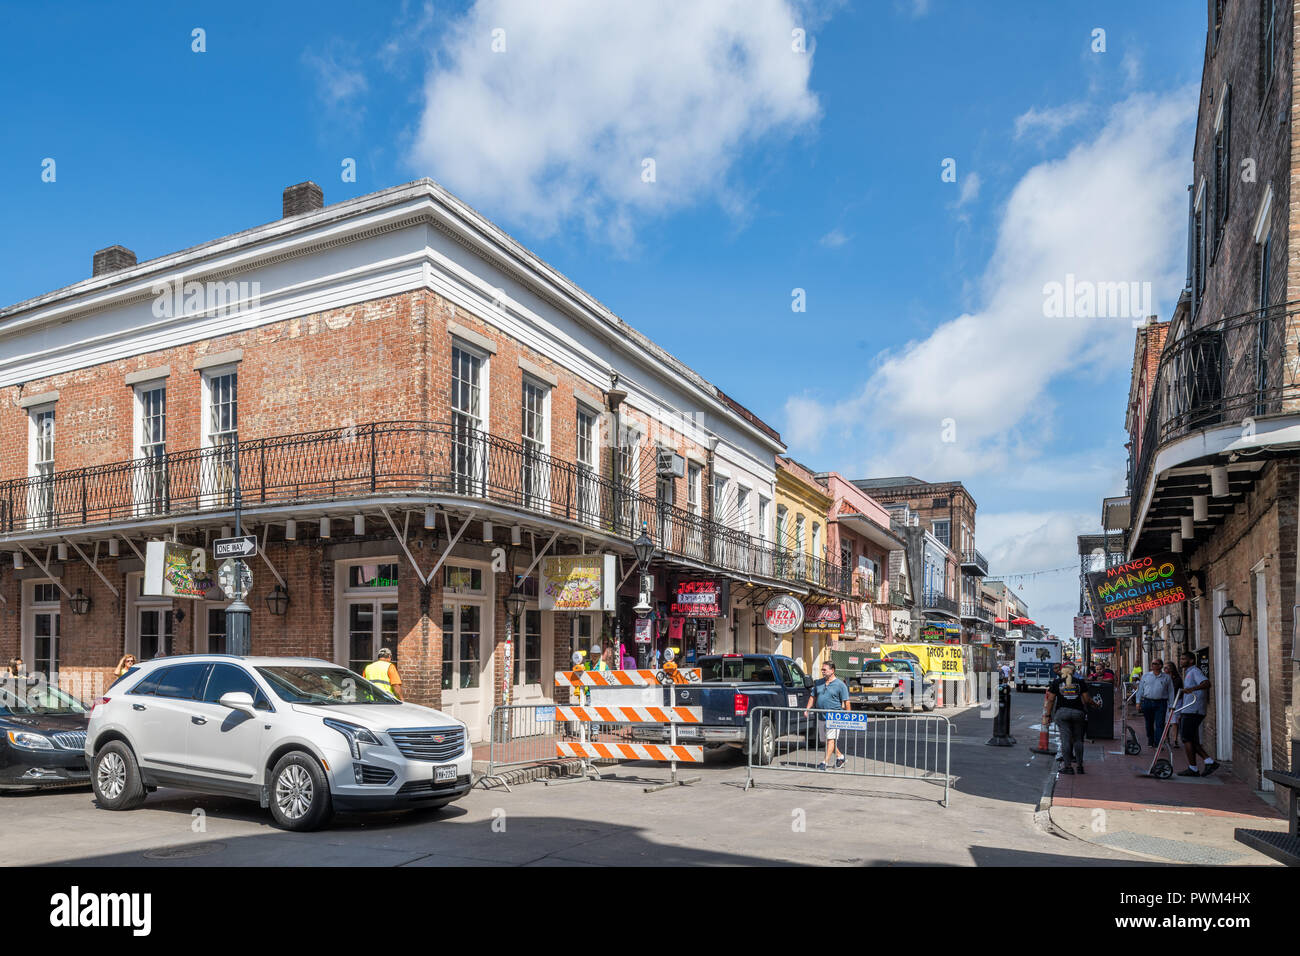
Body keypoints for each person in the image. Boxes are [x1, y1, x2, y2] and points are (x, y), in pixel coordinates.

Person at [1044, 662, 1097, 774]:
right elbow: (1087, 700)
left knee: (1065, 740)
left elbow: (1051, 700)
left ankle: (1068, 767)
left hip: (1062, 714)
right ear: (1073, 671)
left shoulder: (1057, 682)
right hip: (1078, 713)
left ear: (1063, 671)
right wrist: (1095, 704)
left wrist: (1048, 715)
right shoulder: (1080, 682)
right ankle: (1080, 766)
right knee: (1078, 739)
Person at [803, 660, 851, 771]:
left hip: (834, 717)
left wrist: (848, 716)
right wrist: (807, 709)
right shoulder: (818, 683)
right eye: (822, 669)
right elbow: (812, 697)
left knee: (830, 739)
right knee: (825, 740)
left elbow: (847, 701)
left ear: (832, 670)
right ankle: (840, 757)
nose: (822, 671)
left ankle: (824, 762)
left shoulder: (840, 685)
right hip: (821, 716)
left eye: (825, 669)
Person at [1176, 651, 1216, 777]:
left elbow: (1206, 683)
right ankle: (1203, 764)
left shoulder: (1195, 671)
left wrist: (1192, 689)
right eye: (1181, 658)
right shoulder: (1188, 672)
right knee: (1191, 740)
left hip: (1194, 710)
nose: (1181, 661)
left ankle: (1198, 765)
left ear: (1191, 660)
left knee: (1186, 738)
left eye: (1183, 659)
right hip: (1188, 709)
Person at [1136, 658, 1171, 748]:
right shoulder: (1146, 676)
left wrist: (1171, 704)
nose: (1153, 665)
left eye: (1155, 663)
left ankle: (1157, 743)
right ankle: (1150, 739)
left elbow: (1171, 692)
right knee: (1149, 723)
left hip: (1161, 703)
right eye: (1152, 663)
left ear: (1160, 666)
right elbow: (1140, 689)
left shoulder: (1166, 677)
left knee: (1160, 723)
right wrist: (1138, 702)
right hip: (1147, 702)